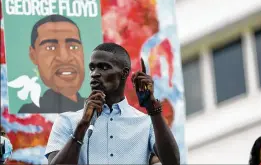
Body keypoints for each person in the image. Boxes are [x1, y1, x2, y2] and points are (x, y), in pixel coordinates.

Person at [45, 43, 180, 164]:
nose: (95, 74)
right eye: (92, 68)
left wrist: (152, 108)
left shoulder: (146, 123)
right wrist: (82, 127)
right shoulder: (67, 121)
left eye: (104, 67)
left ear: (124, 72)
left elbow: (173, 162)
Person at [19, 14, 85, 113]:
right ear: (33, 55)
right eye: (50, 48)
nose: (64, 58)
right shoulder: (31, 112)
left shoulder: (100, 108)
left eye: (73, 47)